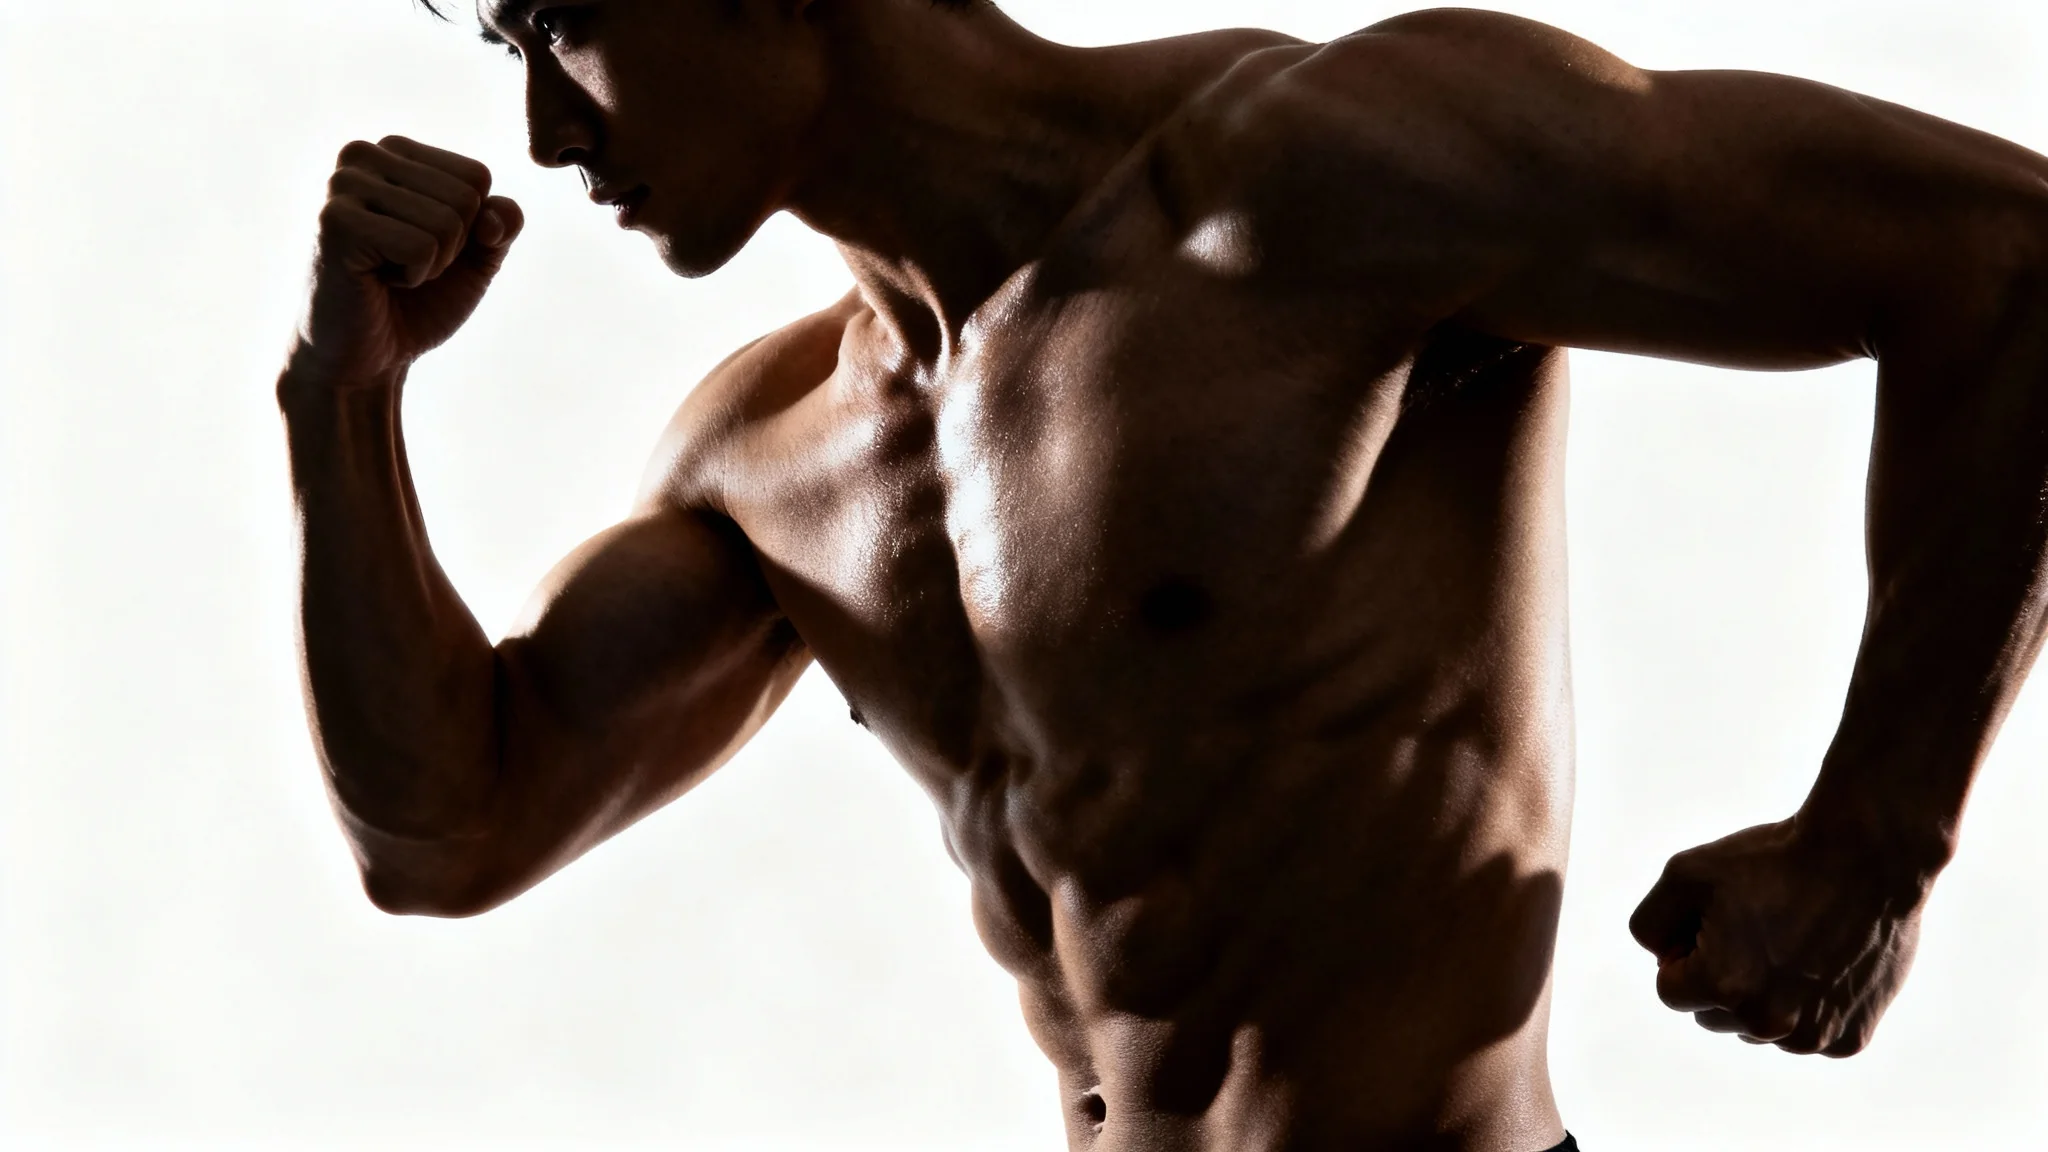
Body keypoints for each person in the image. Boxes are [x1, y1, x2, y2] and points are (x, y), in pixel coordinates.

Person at [274, 1, 2048, 1148]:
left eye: (561, 22)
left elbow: (2004, 261)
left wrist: (1875, 840)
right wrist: (340, 407)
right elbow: (449, 830)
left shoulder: (1310, 184)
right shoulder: (773, 448)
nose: (540, 131)